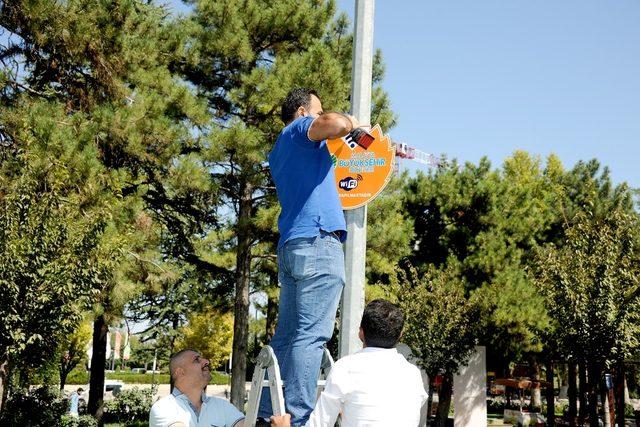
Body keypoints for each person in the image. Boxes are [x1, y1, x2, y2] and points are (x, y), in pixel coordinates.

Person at [257, 88, 364, 427]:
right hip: (317, 243)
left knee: (287, 335)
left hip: (293, 245)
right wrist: (352, 123)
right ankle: (299, 418)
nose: (320, 117)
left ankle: (265, 411)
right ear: (303, 112)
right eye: (316, 112)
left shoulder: (280, 149)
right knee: (310, 335)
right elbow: (332, 123)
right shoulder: (298, 130)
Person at [270, 299, 428, 427]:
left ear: (361, 333)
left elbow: (320, 424)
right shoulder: (413, 374)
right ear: (400, 335)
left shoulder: (346, 367)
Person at [149, 349, 245, 427]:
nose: (206, 361)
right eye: (196, 360)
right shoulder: (164, 407)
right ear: (180, 372)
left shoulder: (222, 406)